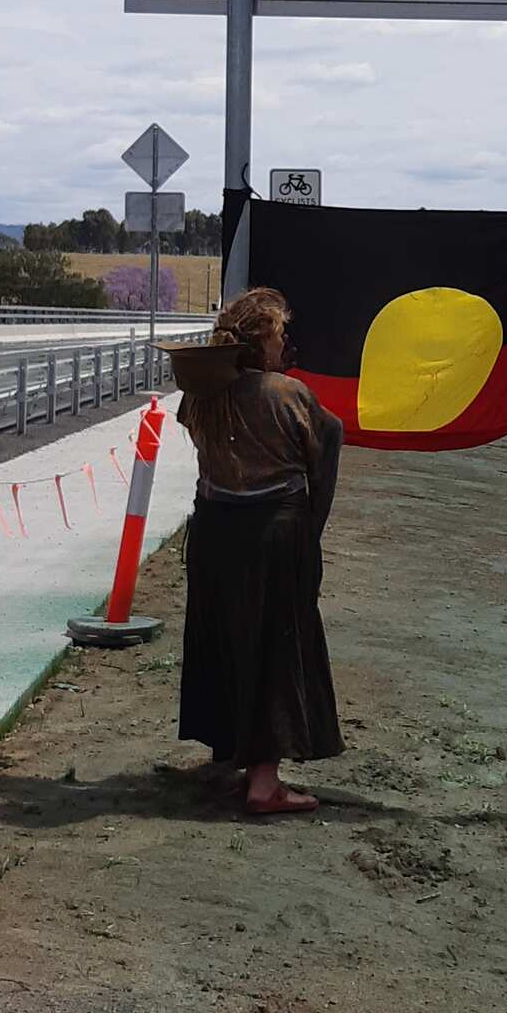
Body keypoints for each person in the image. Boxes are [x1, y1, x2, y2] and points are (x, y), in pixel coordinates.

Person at [172, 287, 344, 815]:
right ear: (259, 343)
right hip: (275, 535)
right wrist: (312, 527)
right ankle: (264, 783)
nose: (285, 340)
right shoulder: (286, 394)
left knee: (227, 641)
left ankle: (236, 755)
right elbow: (330, 438)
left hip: (215, 533)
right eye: (279, 333)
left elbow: (196, 433)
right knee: (274, 648)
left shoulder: (199, 396)